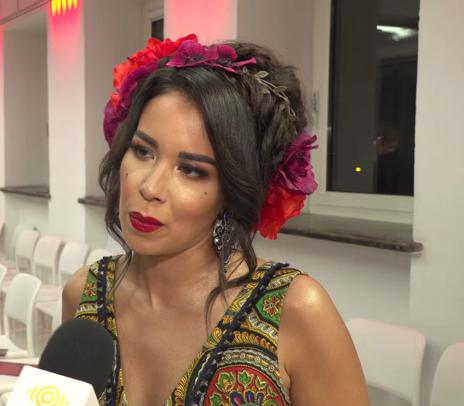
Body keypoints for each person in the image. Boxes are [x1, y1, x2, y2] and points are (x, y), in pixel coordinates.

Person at [62, 36, 369, 406]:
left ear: (232, 189)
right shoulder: (84, 295)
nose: (150, 187)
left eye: (191, 170)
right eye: (142, 151)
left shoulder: (296, 311)